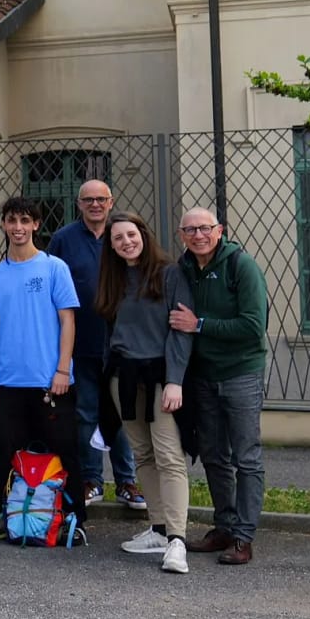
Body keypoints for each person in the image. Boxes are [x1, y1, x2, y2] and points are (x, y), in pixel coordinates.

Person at [95, 211, 195, 574]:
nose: (126, 242)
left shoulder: (169, 275)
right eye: (118, 238)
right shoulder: (114, 279)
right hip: (123, 377)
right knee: (143, 455)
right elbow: (111, 333)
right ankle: (157, 527)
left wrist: (175, 380)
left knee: (169, 455)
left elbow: (181, 332)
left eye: (131, 235)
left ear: (144, 234)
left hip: (160, 375)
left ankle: (177, 541)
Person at [0, 197, 85, 538]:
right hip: (10, 380)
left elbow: (67, 321)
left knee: (64, 449)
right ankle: (10, 516)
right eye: (12, 220)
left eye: (26, 220)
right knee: (8, 455)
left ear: (37, 225)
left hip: (49, 380)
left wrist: (63, 370)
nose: (19, 227)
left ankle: (71, 518)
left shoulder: (54, 268)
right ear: (4, 225)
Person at [170, 207, 269, 566]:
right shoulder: (182, 270)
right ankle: (224, 527)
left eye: (205, 228)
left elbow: (252, 326)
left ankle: (244, 537)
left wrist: (199, 325)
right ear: (181, 235)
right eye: (190, 229)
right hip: (202, 375)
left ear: (219, 230)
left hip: (241, 372)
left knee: (246, 457)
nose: (198, 235)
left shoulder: (240, 266)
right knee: (213, 455)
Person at [47, 179, 145, 511]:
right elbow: (52, 289)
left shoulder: (123, 234)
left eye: (101, 199)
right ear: (79, 204)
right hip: (82, 344)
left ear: (111, 201)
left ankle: (127, 482)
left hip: (123, 346)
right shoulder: (63, 240)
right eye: (88, 200)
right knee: (86, 414)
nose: (95, 205)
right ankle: (91, 480)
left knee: (122, 414)